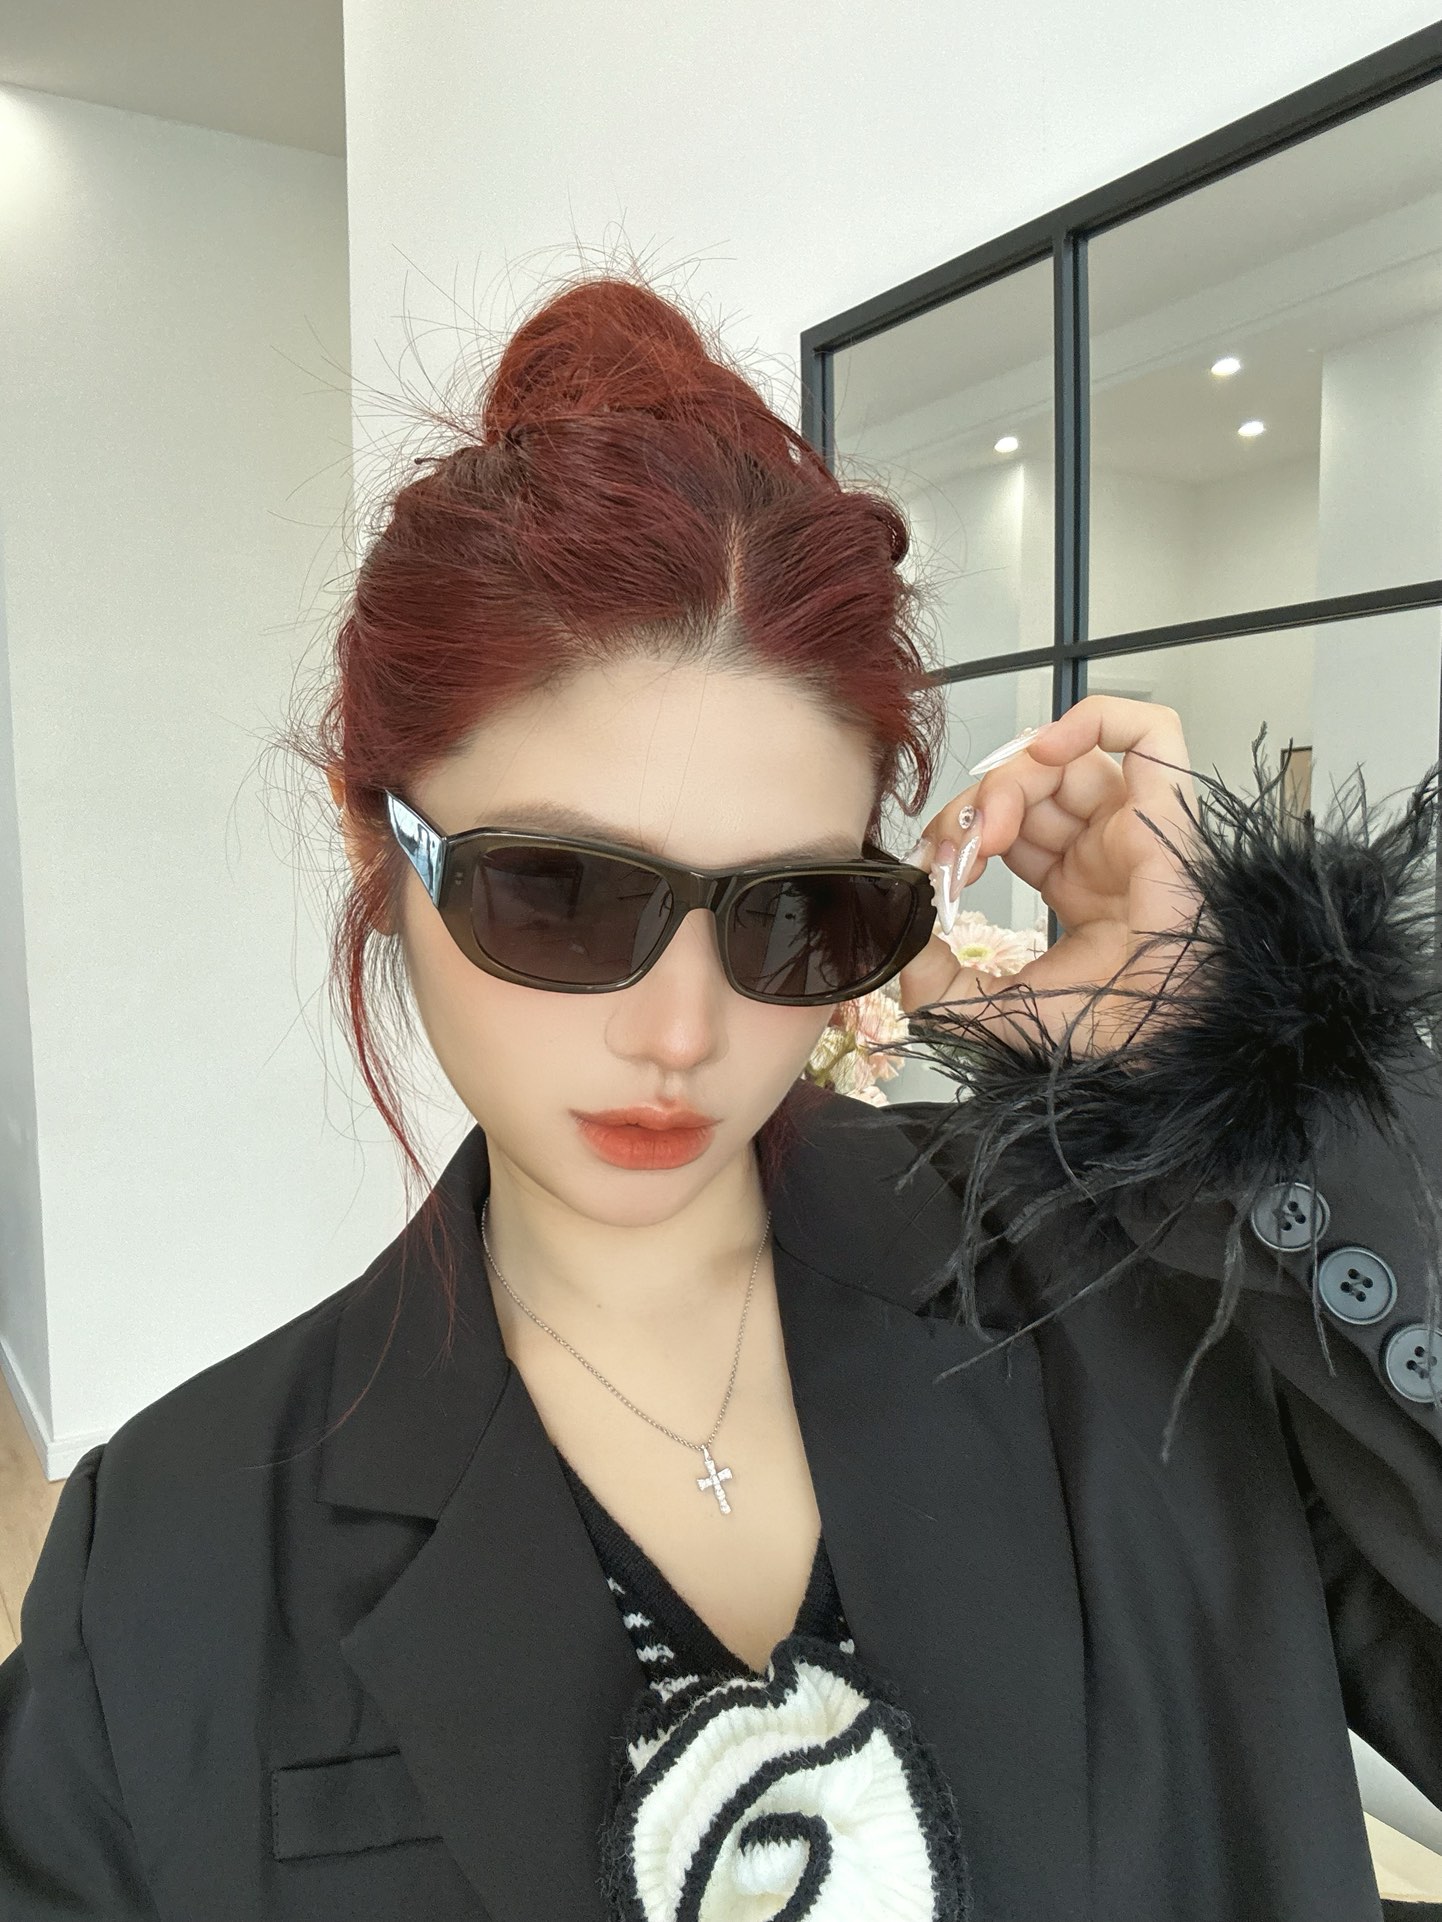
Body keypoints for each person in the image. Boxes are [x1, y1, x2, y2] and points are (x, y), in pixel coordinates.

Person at [0, 273, 1438, 1922]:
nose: (682, 1030)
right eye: (556, 891)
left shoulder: (1133, 1282)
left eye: (792, 911)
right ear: (372, 847)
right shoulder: (170, 1556)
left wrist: (1248, 1065)